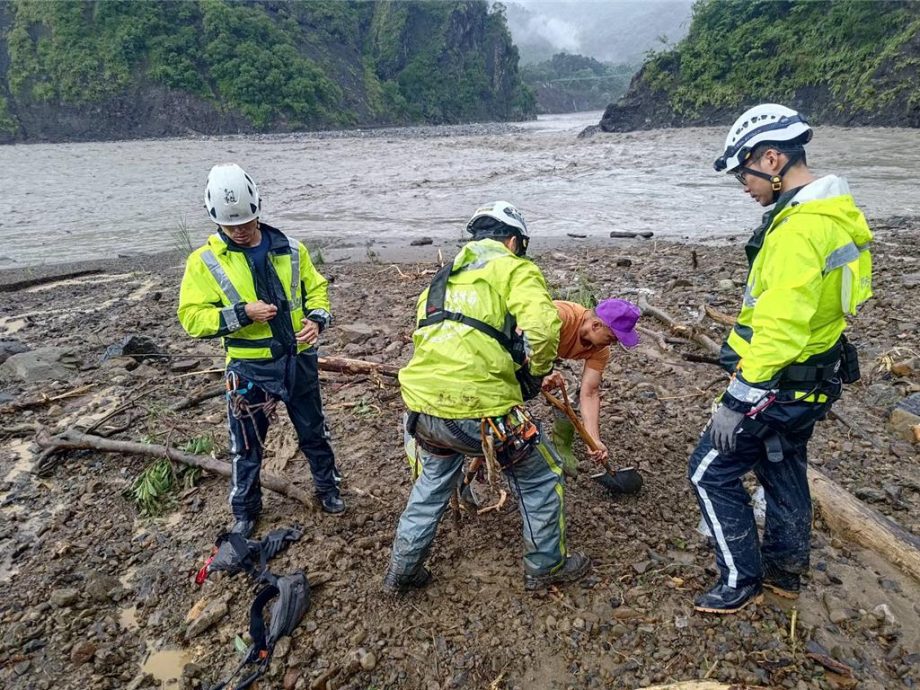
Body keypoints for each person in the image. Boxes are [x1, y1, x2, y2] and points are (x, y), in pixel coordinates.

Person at [689, 104, 873, 613]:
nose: (744, 187)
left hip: (778, 382)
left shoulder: (796, 231)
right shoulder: (833, 215)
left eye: (744, 174)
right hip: (816, 378)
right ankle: (786, 569)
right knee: (783, 462)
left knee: (708, 472)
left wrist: (737, 400)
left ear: (771, 159)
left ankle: (739, 581)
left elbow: (780, 330)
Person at [383, 200, 590, 593]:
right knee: (541, 474)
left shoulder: (440, 280)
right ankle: (546, 565)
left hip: (423, 409)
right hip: (479, 411)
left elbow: (437, 337)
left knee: (431, 485)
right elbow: (543, 329)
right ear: (513, 241)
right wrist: (535, 373)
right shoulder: (514, 268)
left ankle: (401, 571)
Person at [177, 163, 346, 538]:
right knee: (246, 447)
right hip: (248, 369)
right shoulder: (204, 262)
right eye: (229, 225)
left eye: (245, 222)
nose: (239, 230)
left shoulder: (293, 249)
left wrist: (318, 320)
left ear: (257, 210)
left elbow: (317, 290)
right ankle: (246, 511)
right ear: (215, 219)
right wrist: (242, 313)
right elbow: (191, 318)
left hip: (298, 360)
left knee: (314, 433)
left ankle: (328, 490)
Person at [543, 298, 641, 476]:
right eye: (611, 338)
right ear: (596, 325)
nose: (611, 344)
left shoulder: (600, 350)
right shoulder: (560, 316)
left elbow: (590, 392)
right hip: (512, 351)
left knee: (568, 388)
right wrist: (539, 372)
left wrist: (593, 440)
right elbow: (515, 336)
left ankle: (561, 445)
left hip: (546, 357)